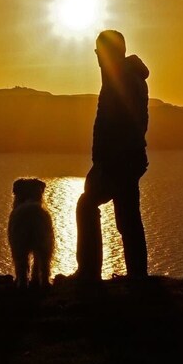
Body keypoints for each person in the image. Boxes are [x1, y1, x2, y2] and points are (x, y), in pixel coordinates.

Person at [74, 29, 150, 282]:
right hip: (129, 158)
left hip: (118, 160)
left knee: (87, 206)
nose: (97, 57)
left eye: (100, 51)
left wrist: (105, 163)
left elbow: (117, 124)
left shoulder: (121, 80)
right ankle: (138, 277)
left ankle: (89, 272)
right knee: (128, 218)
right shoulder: (129, 76)